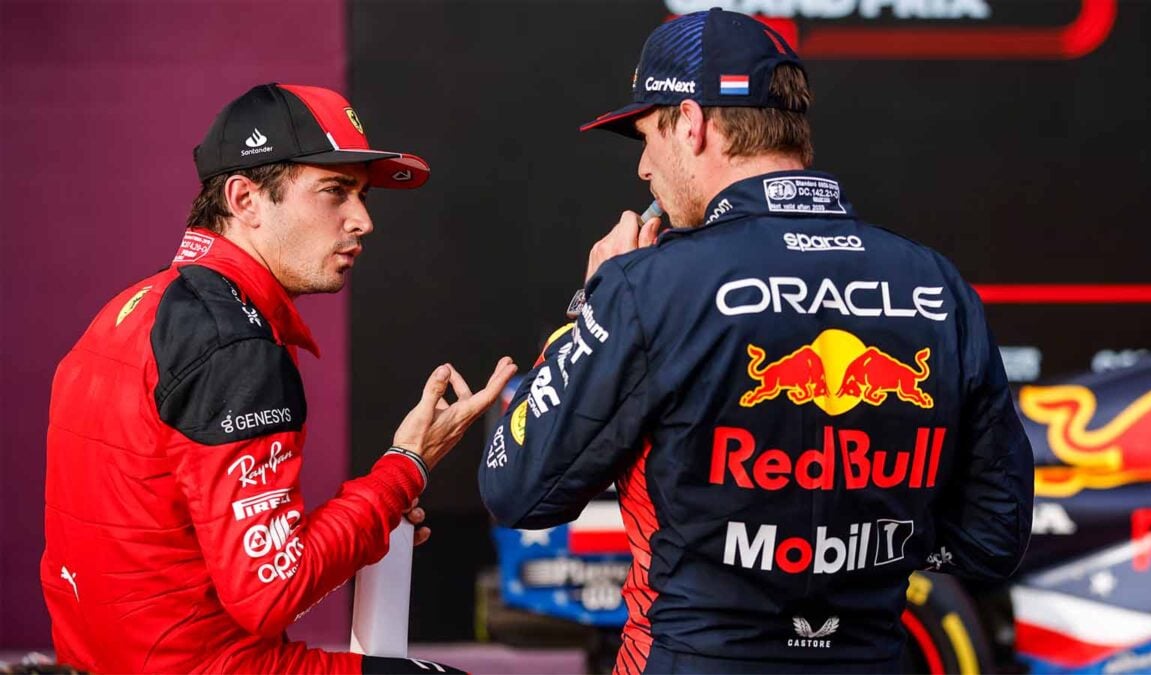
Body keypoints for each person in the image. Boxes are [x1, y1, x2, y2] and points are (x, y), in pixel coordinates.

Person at [478, 9, 1034, 674]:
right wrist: (864, 551)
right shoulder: (937, 285)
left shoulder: (647, 286)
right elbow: (994, 538)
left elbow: (516, 486)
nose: (644, 170)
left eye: (648, 136)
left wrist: (586, 306)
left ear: (692, 123)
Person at [41, 83, 517, 673]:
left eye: (363, 196)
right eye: (335, 192)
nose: (363, 221)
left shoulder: (129, 310)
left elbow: (210, 553)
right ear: (245, 199)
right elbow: (271, 593)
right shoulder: (235, 345)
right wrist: (403, 469)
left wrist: (375, 519)